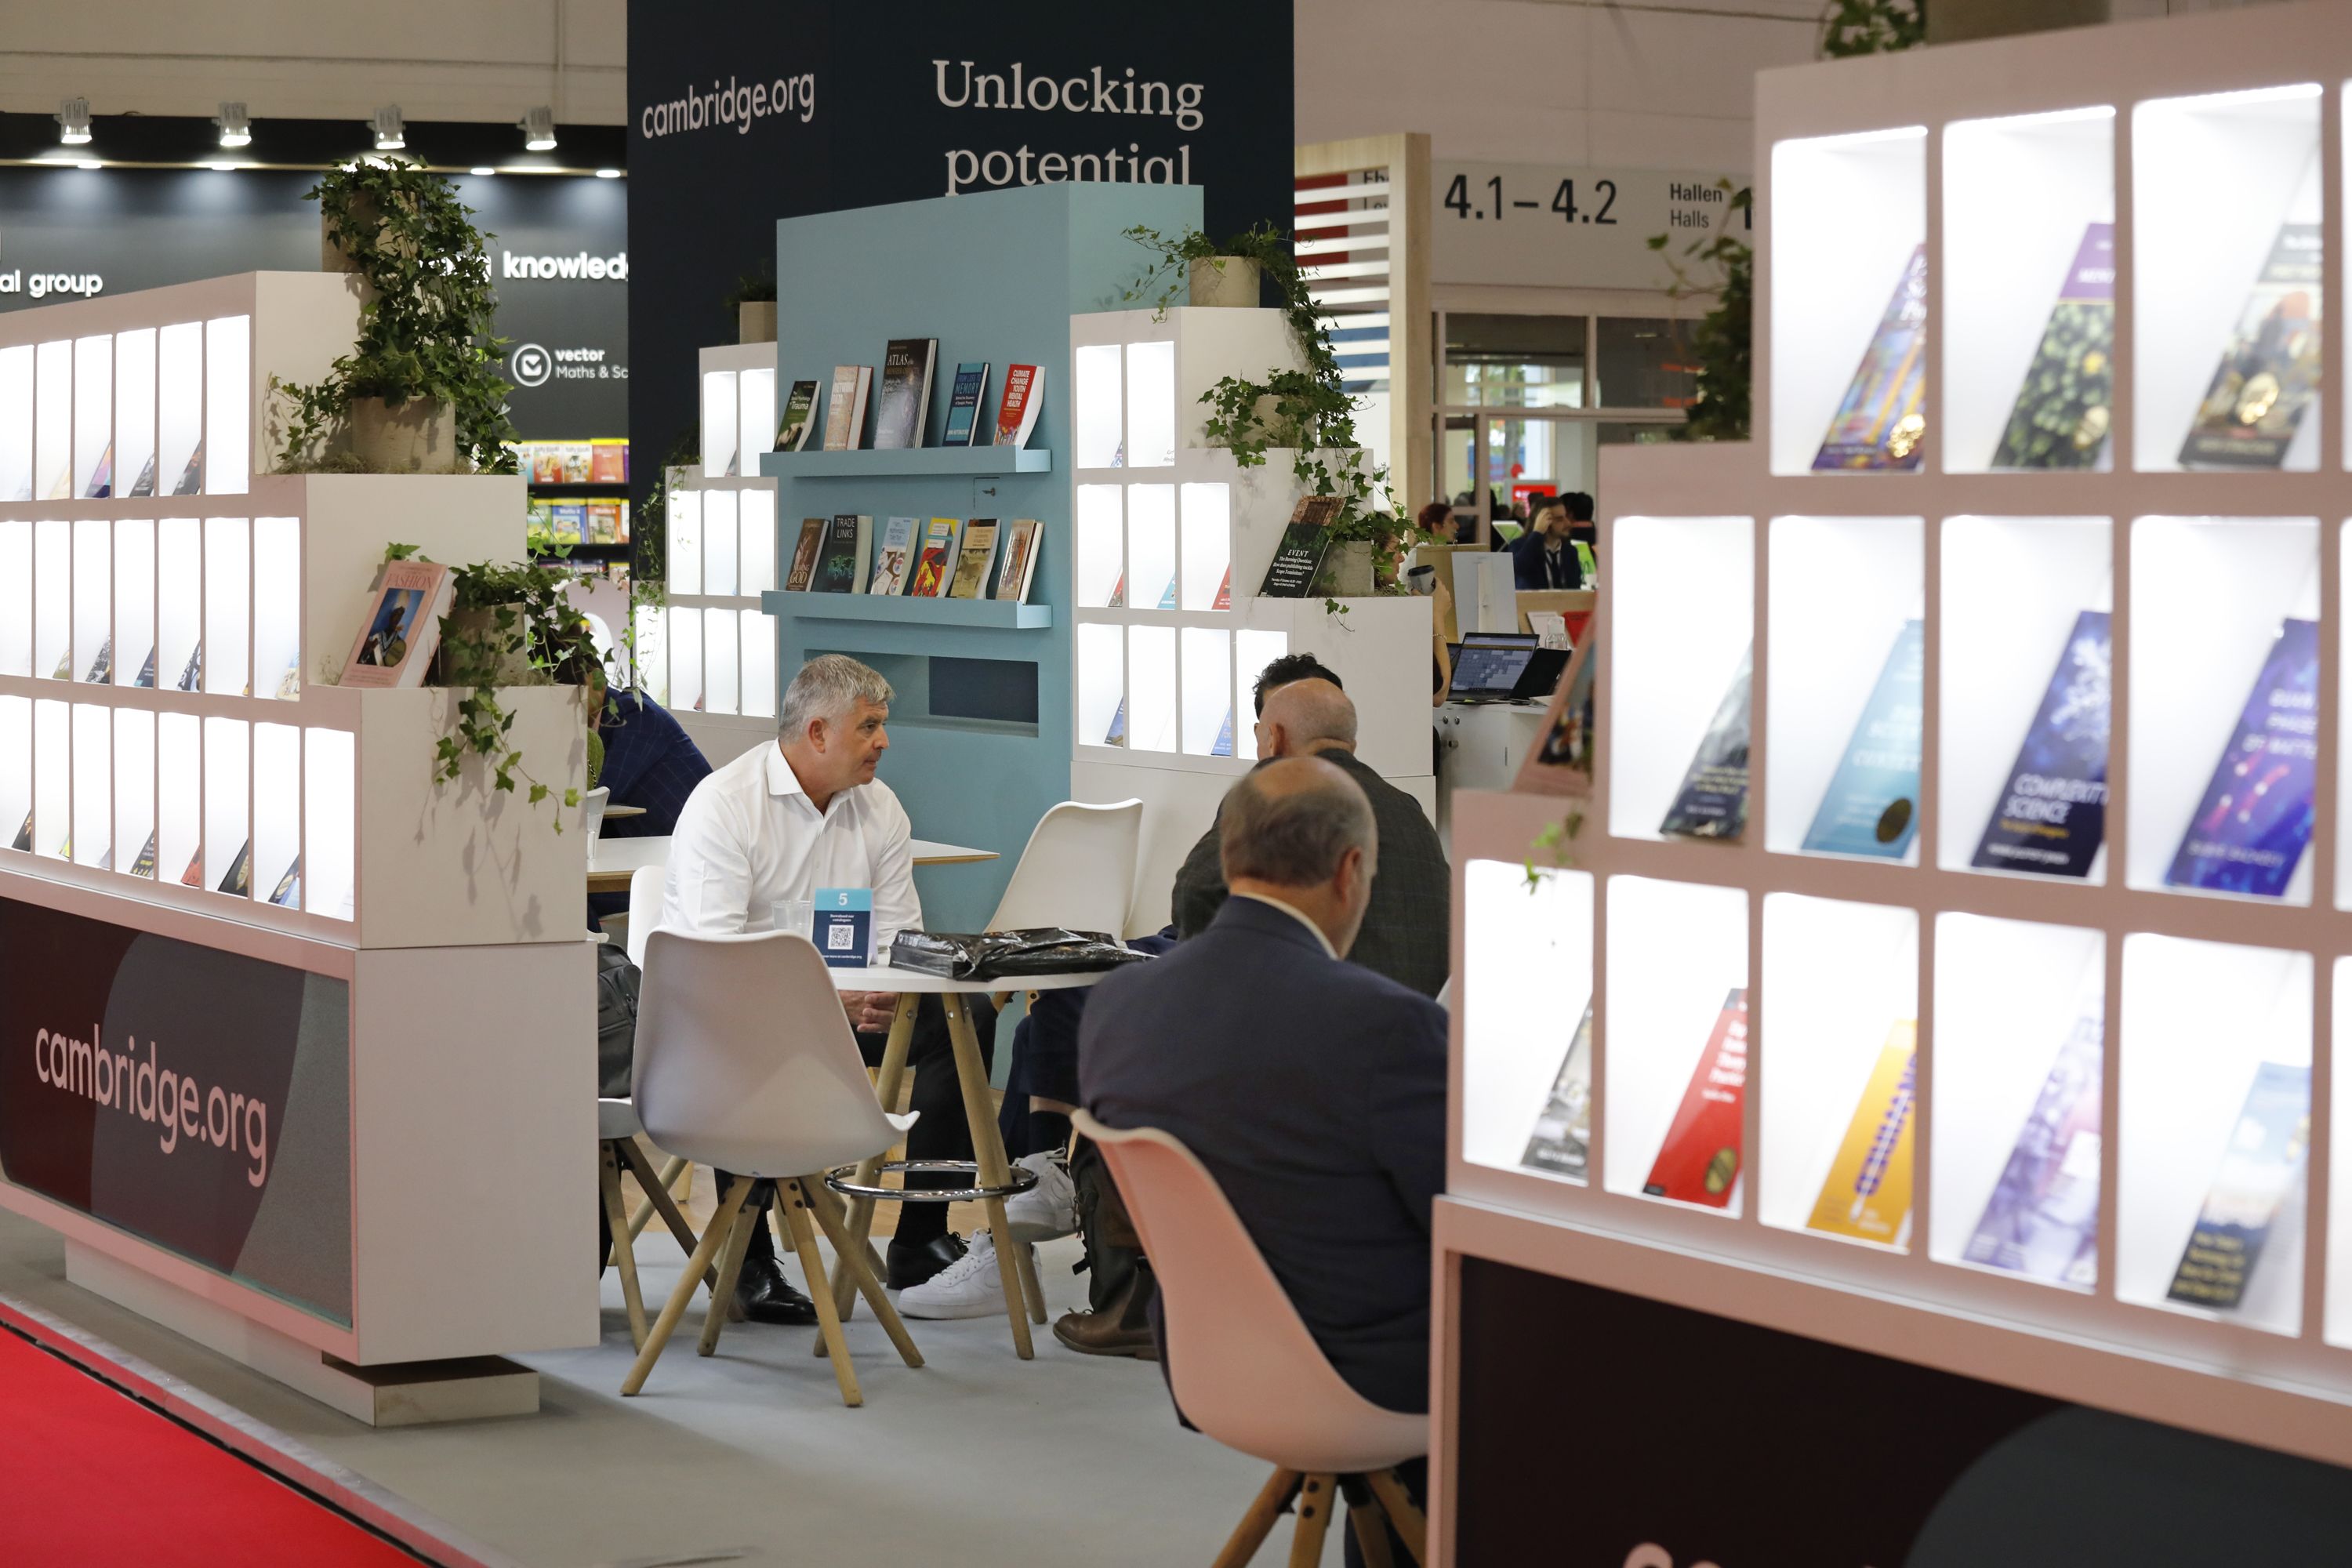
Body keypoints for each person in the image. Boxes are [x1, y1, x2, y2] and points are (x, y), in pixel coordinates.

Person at [1080, 757, 1443, 1559]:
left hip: (1207, 1361)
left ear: (1231, 854)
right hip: (1376, 1375)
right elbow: (1463, 1225)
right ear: (1352, 871)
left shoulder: (1116, 1006)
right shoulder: (1390, 1027)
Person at [655, 655, 998, 1326]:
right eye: (869, 727)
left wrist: (892, 993)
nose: (885, 742)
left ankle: (920, 1238)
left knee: (965, 1016)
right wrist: (820, 1002)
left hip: (850, 1010)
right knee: (742, 1033)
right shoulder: (726, 806)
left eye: (882, 725)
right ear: (817, 733)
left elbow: (903, 935)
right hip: (733, 1020)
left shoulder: (882, 809)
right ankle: (748, 1261)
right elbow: (712, 965)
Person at [1170, 677, 1450, 999]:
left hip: (1326, 1020)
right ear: (1351, 746)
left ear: (1274, 740)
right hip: (1424, 1021)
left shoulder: (1277, 793)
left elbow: (1194, 892)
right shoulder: (1410, 809)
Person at [586, 670, 712, 925]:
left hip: (691, 872)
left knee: (569, 895)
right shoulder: (607, 724)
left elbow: (606, 789)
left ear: (597, 682)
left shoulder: (635, 715)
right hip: (653, 858)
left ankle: (598, 963)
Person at [1508, 492, 1584, 590]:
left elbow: (1575, 591)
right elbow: (1518, 570)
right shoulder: (1520, 546)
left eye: (1566, 517)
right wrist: (1537, 533)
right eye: (1560, 519)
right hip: (1534, 605)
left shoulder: (1570, 551)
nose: (1568, 523)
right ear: (1544, 522)